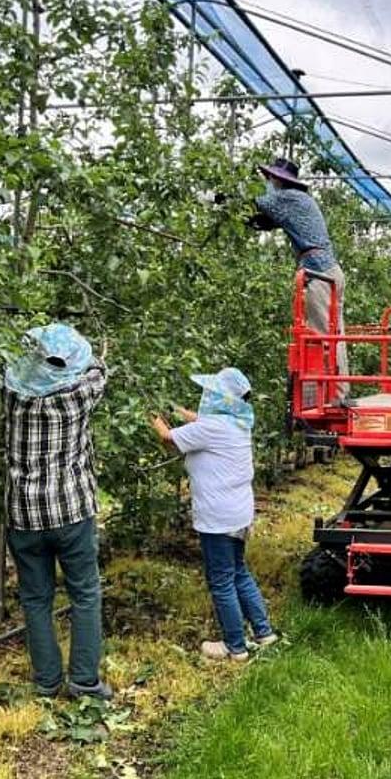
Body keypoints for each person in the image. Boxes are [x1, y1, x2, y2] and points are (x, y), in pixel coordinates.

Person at [1, 323, 111, 699]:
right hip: (71, 511)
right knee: (85, 593)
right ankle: (84, 681)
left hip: (24, 514)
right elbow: (98, 368)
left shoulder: (12, 394)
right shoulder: (79, 395)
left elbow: (13, 364)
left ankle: (47, 682)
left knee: (35, 598)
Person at [149, 367, 279, 662]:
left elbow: (169, 439)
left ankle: (235, 647)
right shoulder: (236, 422)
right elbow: (200, 422)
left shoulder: (211, 429)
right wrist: (176, 408)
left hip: (218, 518)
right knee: (238, 573)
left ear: (220, 398)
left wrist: (149, 413)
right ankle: (263, 632)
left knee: (221, 581)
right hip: (239, 513)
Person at [248, 157, 349, 402]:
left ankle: (325, 399)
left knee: (320, 336)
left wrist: (215, 199)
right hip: (329, 272)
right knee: (333, 333)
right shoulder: (298, 202)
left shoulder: (288, 197)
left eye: (270, 178)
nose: (267, 182)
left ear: (278, 180)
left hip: (320, 273)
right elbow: (266, 221)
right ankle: (337, 394)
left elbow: (254, 202)